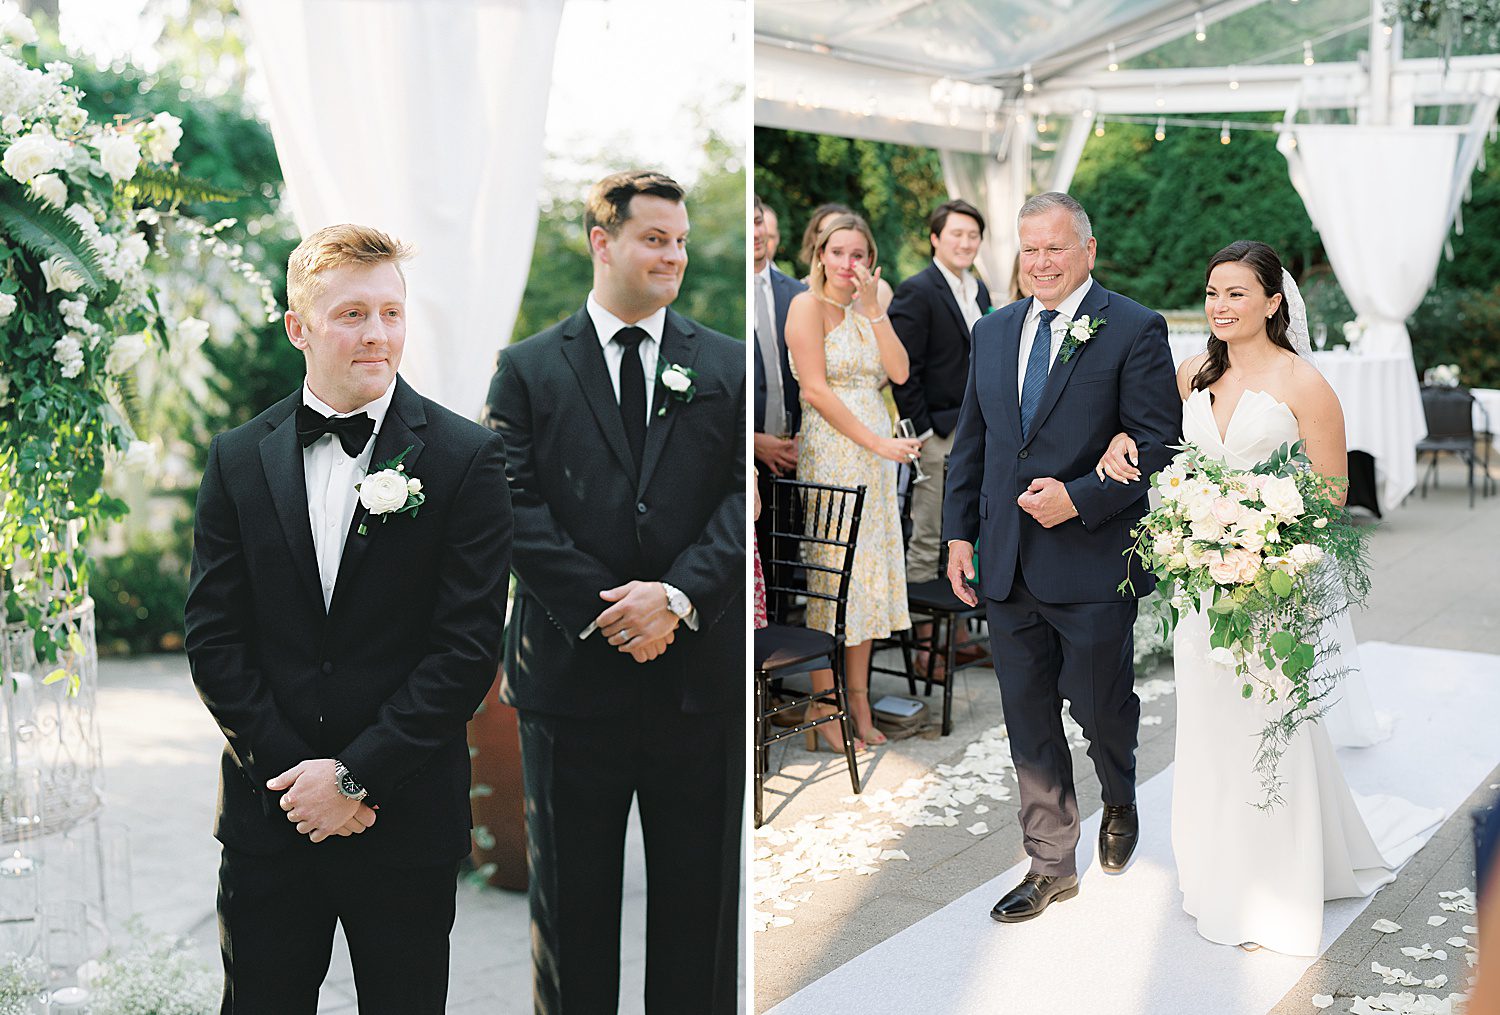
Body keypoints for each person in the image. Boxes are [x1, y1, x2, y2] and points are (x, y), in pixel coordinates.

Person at [184, 224, 513, 1014]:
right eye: (353, 314)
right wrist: (304, 780)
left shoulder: (465, 459)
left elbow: (466, 649)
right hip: (273, 813)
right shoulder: (236, 457)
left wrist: (356, 776)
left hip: (402, 819)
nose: (379, 335)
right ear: (299, 326)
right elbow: (214, 637)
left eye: (392, 313)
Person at [1096, 240, 1443, 955]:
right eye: (1212, 292)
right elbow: (1156, 442)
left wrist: (1259, 540)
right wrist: (1127, 452)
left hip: (1270, 587)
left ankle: (1278, 880)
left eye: (1235, 294)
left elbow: (1330, 493)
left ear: (1273, 302)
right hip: (1201, 588)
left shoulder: (1304, 383)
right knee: (1209, 727)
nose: (1219, 306)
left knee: (1268, 725)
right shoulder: (1191, 371)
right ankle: (1215, 870)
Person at [485, 169, 744, 1014]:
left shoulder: (726, 362)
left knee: (698, 914)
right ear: (604, 243)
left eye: (680, 239)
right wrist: (615, 611)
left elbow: (744, 494)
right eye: (654, 238)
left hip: (697, 684)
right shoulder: (524, 370)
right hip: (570, 685)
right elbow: (512, 505)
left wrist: (673, 597)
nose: (673, 254)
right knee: (571, 917)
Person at [942, 192, 1181, 922]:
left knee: (1102, 704)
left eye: (1054, 248)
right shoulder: (992, 330)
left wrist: (1079, 497)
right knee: (1027, 716)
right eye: (1029, 249)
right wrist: (960, 534)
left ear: (1088, 249)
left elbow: (1158, 444)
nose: (1040, 262)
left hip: (1092, 559)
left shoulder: (1134, 328)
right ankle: (1050, 861)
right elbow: (973, 442)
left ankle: (1120, 793)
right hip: (1008, 558)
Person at [785, 212, 921, 749]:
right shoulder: (804, 306)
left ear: (870, 259)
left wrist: (873, 312)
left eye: (858, 254)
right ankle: (825, 707)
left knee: (865, 582)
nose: (849, 263)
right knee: (832, 576)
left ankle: (860, 705)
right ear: (820, 254)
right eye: (838, 252)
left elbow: (901, 372)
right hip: (835, 451)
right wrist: (878, 442)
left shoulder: (873, 301)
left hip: (875, 456)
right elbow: (815, 391)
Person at [890, 199, 993, 676]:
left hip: (981, 431)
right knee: (930, 535)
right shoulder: (917, 291)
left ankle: (959, 635)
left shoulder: (981, 289)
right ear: (935, 238)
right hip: (939, 433)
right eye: (956, 234)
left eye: (973, 235)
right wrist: (926, 431)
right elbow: (902, 371)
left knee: (969, 532)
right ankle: (926, 648)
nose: (965, 242)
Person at [754, 195, 806, 553]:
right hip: (744, 459)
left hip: (794, 455)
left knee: (786, 562)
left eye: (757, 221)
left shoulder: (799, 294)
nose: (755, 232)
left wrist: (804, 436)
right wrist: (754, 440)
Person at [798, 201, 894, 308]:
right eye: (827, 231)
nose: (846, 264)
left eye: (842, 227)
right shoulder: (800, 293)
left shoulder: (880, 290)